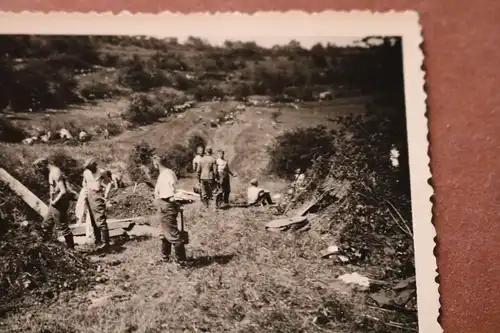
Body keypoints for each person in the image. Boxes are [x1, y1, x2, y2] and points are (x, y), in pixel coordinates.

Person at [32, 157, 75, 249]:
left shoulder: (55, 172)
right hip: (55, 201)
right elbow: (53, 188)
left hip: (59, 202)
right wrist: (51, 199)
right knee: (46, 224)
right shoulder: (51, 172)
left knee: (63, 227)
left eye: (40, 169)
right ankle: (47, 248)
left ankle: (71, 249)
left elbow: (63, 191)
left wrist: (54, 201)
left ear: (43, 166)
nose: (40, 171)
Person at [152, 154, 187, 266]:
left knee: (173, 234)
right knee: (164, 233)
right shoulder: (164, 174)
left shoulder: (167, 174)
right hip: (164, 205)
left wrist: (174, 203)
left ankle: (181, 262)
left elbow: (169, 194)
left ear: (156, 163)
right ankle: (165, 257)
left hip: (166, 205)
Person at [82, 158, 113, 250]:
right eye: (88, 168)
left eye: (91, 167)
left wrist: (106, 193)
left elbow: (109, 183)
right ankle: (98, 240)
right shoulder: (86, 173)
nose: (90, 169)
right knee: (93, 220)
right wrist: (85, 189)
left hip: (97, 195)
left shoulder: (101, 172)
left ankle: (105, 242)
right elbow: (84, 182)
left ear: (95, 165)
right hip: (89, 195)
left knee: (100, 219)